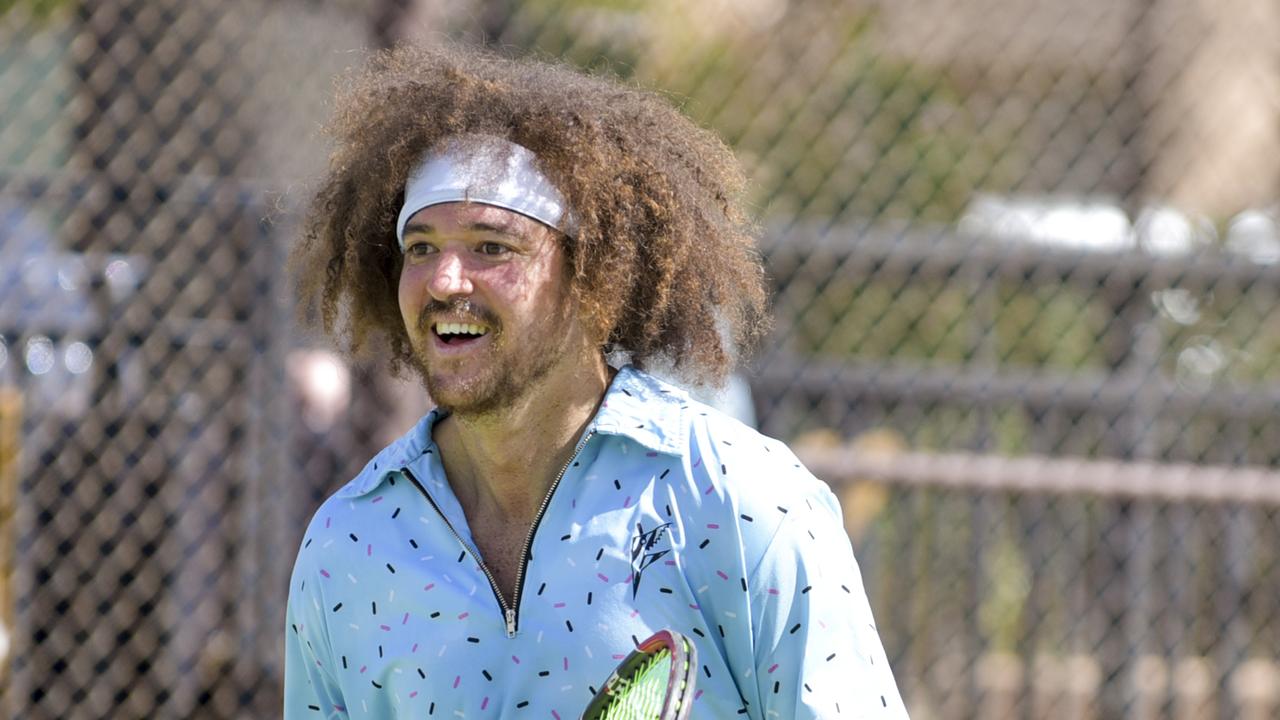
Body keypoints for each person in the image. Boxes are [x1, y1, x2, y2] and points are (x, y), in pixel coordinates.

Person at [284, 43, 908, 719]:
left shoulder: (743, 500)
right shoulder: (349, 543)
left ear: (591, 275)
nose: (444, 280)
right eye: (422, 247)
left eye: (492, 246)